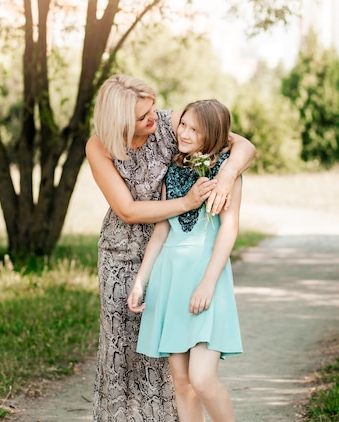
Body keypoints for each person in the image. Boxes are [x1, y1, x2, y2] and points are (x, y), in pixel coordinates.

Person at [85, 75, 254, 421]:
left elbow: (237, 142)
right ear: (119, 121)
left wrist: (228, 173)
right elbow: (129, 211)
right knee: (124, 354)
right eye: (143, 115)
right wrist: (187, 202)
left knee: (181, 373)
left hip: (174, 256)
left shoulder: (172, 124)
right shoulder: (99, 146)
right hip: (126, 255)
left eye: (152, 108)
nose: (155, 117)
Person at [127, 99, 242, 422]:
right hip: (170, 280)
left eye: (195, 129)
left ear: (214, 135)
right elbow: (161, 232)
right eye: (184, 125)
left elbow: (229, 229)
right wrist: (141, 281)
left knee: (203, 379)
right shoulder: (174, 170)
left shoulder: (226, 172)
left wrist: (208, 282)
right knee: (182, 383)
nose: (185, 133)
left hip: (206, 278)